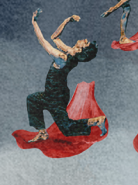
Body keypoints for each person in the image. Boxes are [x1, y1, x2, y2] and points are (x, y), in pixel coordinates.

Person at [26, 9, 104, 141]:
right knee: (32, 100)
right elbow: (54, 37)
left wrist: (34, 22)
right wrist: (67, 21)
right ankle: (42, 132)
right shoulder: (71, 52)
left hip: (55, 96)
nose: (85, 39)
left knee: (66, 129)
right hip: (54, 93)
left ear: (80, 49)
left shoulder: (62, 58)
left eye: (86, 43)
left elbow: (43, 41)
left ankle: (95, 121)